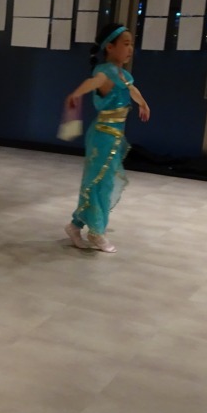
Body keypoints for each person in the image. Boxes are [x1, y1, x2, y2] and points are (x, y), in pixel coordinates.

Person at [63, 23, 150, 253]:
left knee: (103, 182)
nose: (130, 49)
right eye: (126, 44)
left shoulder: (124, 74)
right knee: (99, 182)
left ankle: (76, 225)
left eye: (132, 44)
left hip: (114, 135)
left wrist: (143, 103)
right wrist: (76, 94)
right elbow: (93, 82)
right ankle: (97, 232)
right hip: (102, 135)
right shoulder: (105, 72)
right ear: (110, 47)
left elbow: (132, 89)